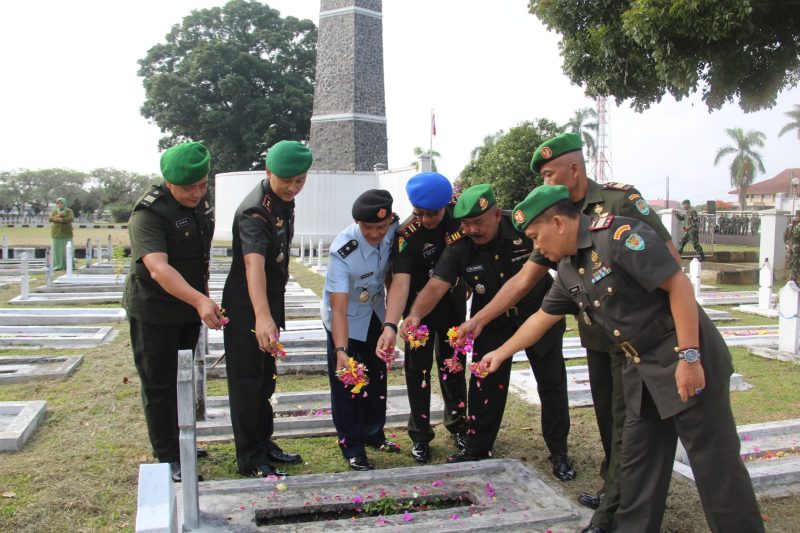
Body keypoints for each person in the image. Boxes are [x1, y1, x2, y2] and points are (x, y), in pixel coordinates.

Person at [482, 184, 764, 533]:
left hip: (683, 359)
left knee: (715, 467)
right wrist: (499, 352)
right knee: (637, 469)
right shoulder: (569, 267)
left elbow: (679, 286)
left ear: (558, 223)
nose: (536, 247)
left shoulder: (618, 236)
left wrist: (690, 358)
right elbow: (542, 317)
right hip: (641, 370)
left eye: (537, 237)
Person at [452, 133, 680, 533]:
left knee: (633, 425)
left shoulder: (617, 200)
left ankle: (613, 511)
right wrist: (480, 320)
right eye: (541, 176)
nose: (544, 182)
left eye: (549, 173)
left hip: (639, 337)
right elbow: (524, 281)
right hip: (598, 335)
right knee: (611, 421)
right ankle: (616, 490)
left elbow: (668, 259)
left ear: (574, 168)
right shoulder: (550, 216)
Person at [400, 184, 573, 479]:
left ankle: (559, 452)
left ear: (496, 214)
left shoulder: (522, 228)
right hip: (491, 321)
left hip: (539, 314)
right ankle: (477, 448)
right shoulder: (459, 245)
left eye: (478, 222)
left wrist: (476, 319)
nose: (471, 229)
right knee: (484, 381)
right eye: (465, 223)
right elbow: (436, 285)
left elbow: (533, 277)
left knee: (551, 384)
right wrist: (415, 314)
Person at [123, 142, 222, 483]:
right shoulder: (148, 214)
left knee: (183, 377)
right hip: (154, 311)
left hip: (186, 309)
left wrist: (203, 298)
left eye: (202, 184)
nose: (197, 193)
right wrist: (199, 301)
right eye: (188, 188)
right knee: (159, 382)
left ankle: (182, 443)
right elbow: (158, 269)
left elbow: (199, 258)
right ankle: (167, 454)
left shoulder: (199, 203)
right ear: (168, 182)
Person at [222, 141, 310, 478]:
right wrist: (262, 316)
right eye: (286, 180)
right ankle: (250, 457)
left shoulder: (282, 202)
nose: (293, 187)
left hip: (267, 300)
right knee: (247, 381)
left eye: (300, 180)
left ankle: (263, 441)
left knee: (265, 379)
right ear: (268, 172)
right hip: (248, 303)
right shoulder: (256, 210)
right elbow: (252, 265)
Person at [376, 172, 468, 463]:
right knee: (418, 373)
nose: (427, 220)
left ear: (446, 206)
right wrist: (398, 321)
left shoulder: (458, 218)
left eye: (434, 214)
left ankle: (458, 426)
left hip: (453, 308)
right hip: (419, 313)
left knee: (453, 369)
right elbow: (400, 281)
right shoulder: (407, 234)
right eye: (421, 213)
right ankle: (420, 435)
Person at [322, 189, 400, 471]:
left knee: (377, 377)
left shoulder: (394, 229)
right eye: (367, 228)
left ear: (390, 219)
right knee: (347, 383)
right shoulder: (342, 250)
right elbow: (338, 309)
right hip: (348, 319)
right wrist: (341, 350)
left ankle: (373, 433)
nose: (376, 233)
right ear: (357, 223)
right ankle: (352, 445)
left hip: (377, 314)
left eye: (381, 226)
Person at [49, 197, 74, 270]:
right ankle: (57, 264)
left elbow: (70, 218)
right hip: (56, 233)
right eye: (58, 203)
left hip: (66, 233)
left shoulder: (69, 211)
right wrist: (57, 217)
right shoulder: (55, 211)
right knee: (56, 250)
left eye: (61, 203)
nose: (59, 205)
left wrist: (61, 220)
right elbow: (50, 218)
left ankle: (67, 264)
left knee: (66, 249)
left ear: (64, 204)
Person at [785, 211, 800, 283]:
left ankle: (794, 281)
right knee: (795, 265)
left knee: (795, 265)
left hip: (793, 246)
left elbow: (785, 235)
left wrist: (788, 246)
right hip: (797, 247)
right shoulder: (797, 226)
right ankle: (791, 281)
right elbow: (787, 235)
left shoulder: (793, 225)